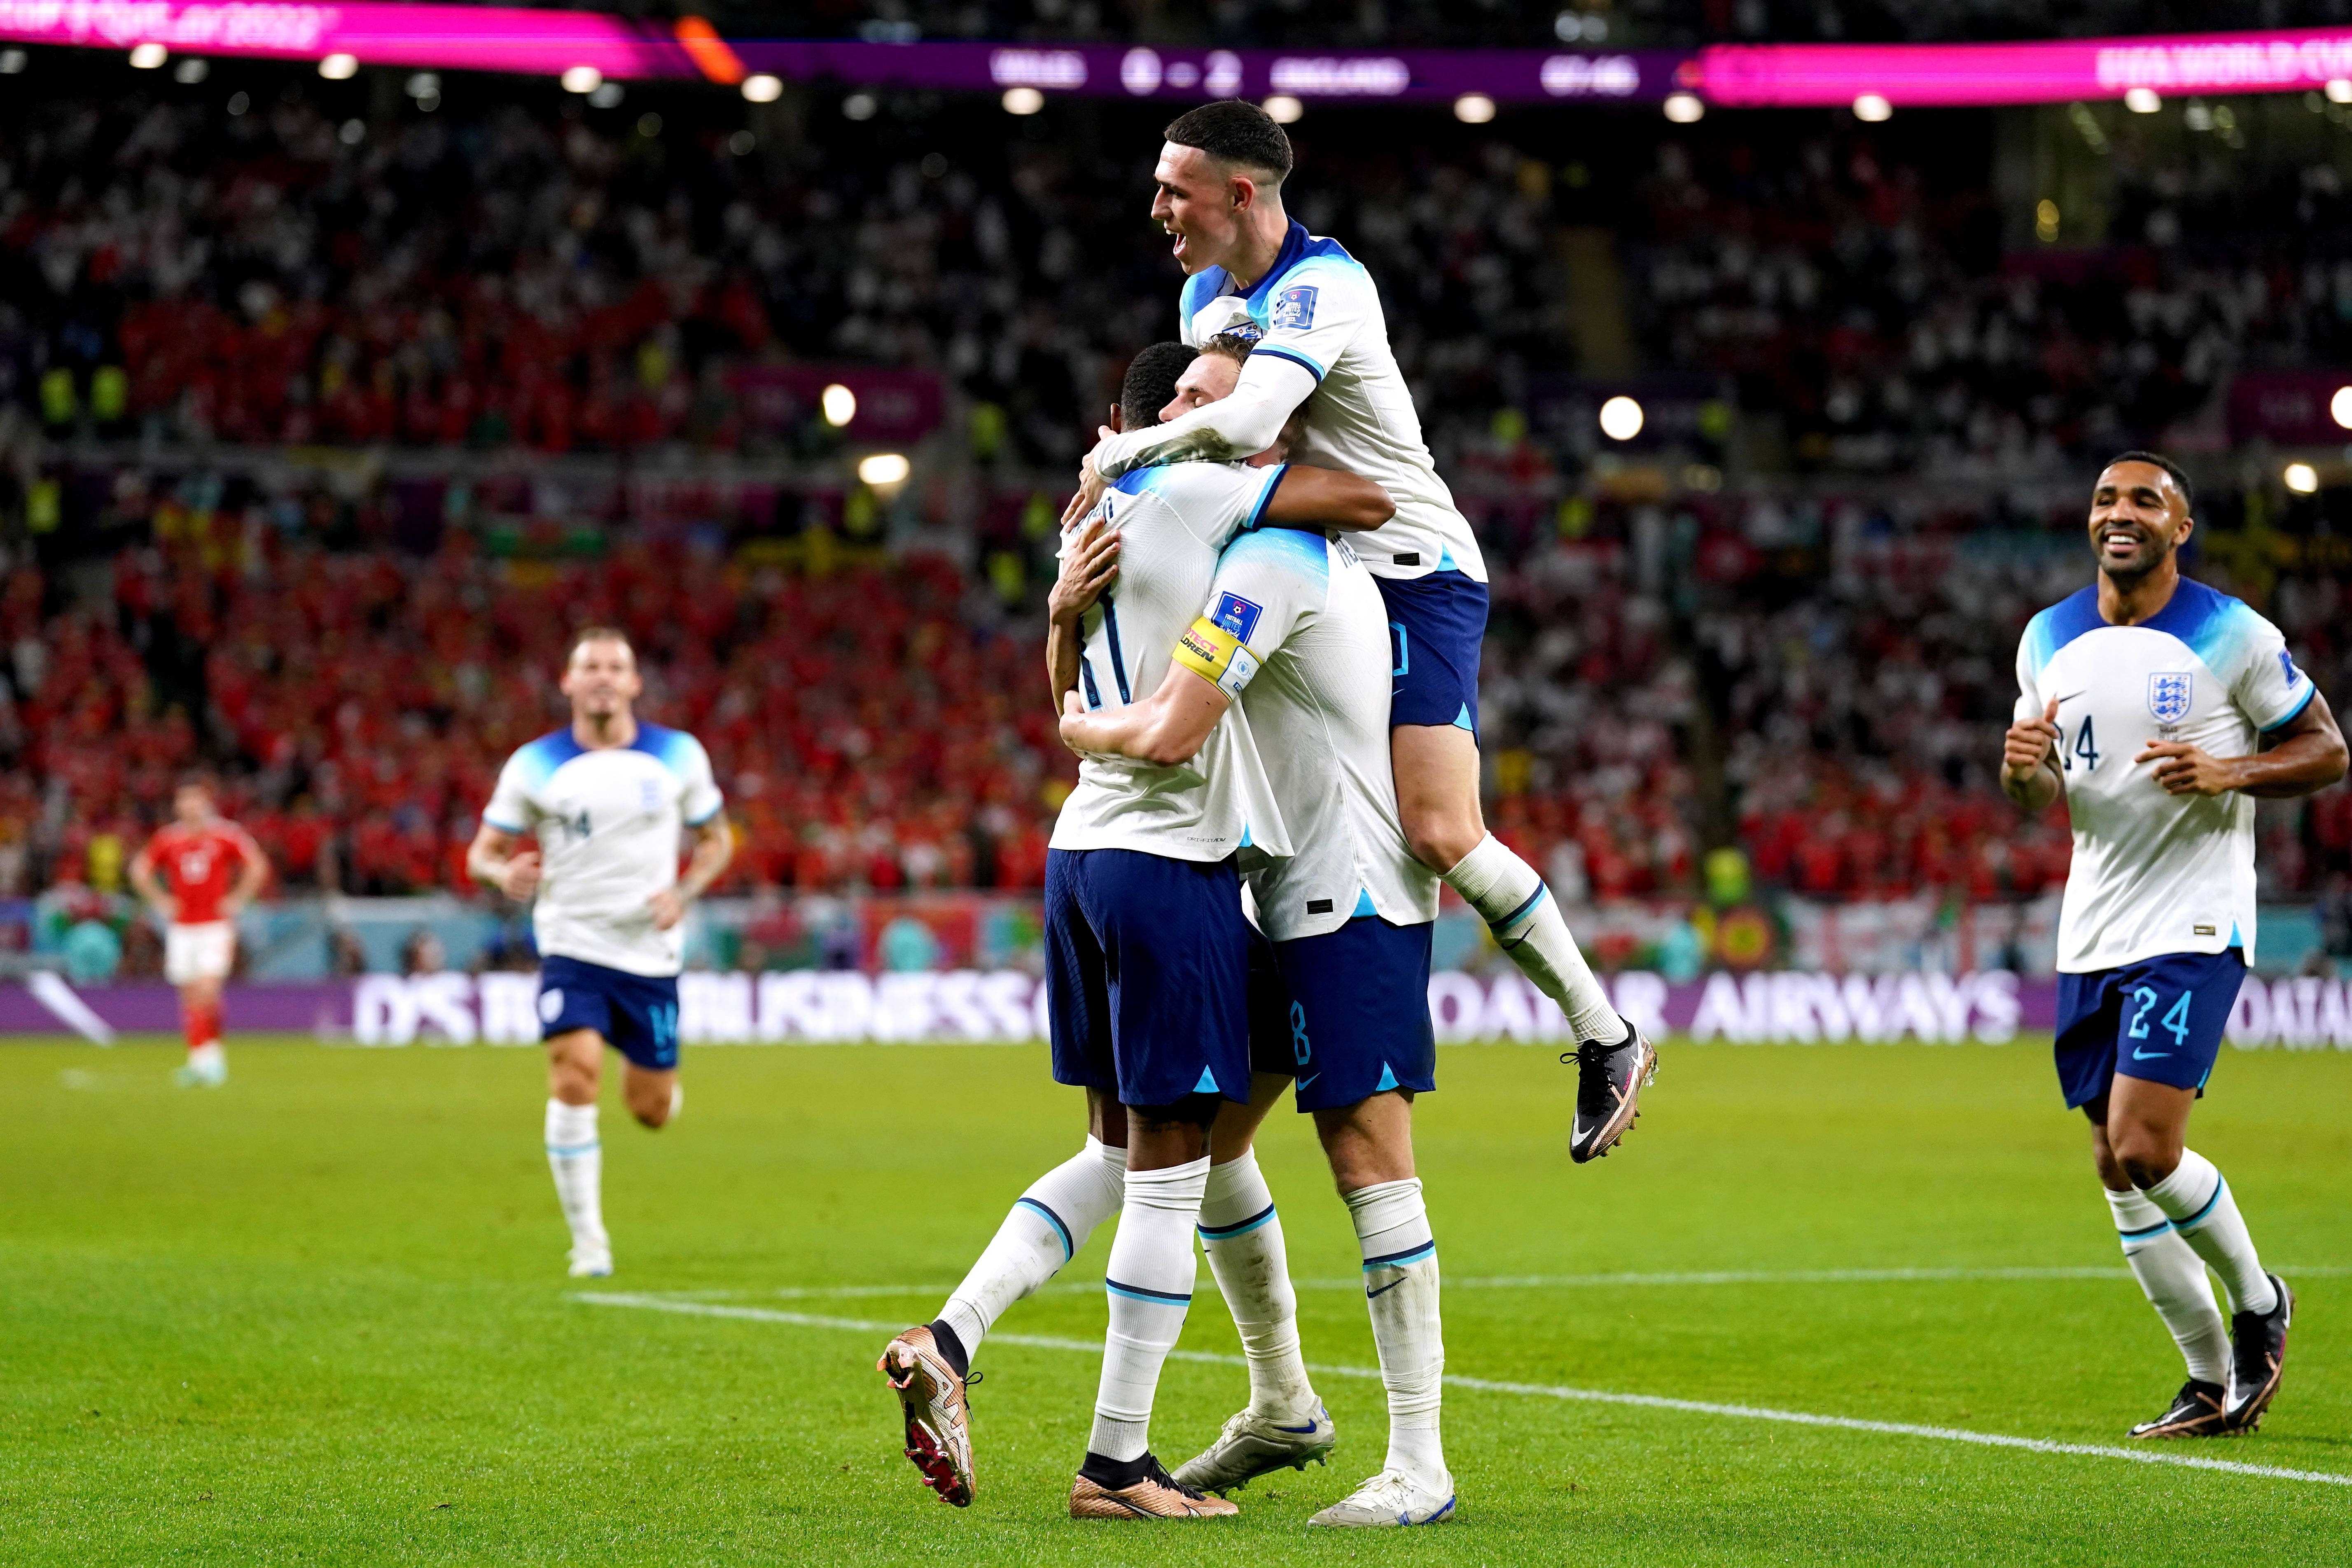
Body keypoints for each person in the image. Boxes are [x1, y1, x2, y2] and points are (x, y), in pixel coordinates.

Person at [1070, 99, 1653, 1153]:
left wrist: (1121, 458)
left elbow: (1246, 425)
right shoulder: (1206, 299)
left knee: (1433, 828)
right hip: (1306, 569)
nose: (1155, 206)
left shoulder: (1326, 285)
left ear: (1237, 194)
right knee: (1278, 792)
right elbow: (1214, 424)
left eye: (1173, 188)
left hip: (1409, 572)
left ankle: (1603, 1030)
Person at [876, 342, 1393, 1521]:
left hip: (1082, 855)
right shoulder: (1197, 484)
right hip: (1172, 866)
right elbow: (1365, 496)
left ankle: (953, 1333)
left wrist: (1063, 620)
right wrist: (1244, 437)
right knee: (1172, 1167)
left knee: (1114, 1148)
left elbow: (1058, 692)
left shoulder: (1086, 520)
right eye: (1209, 399)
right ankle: (1116, 1463)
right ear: (1161, 415)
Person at [1060, 333, 1462, 1526]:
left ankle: (1417, 1461)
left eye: (1205, 400)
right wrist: (1062, 602)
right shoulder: (1226, 540)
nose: (1178, 412)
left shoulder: (1278, 549)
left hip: (1353, 889)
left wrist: (1089, 734)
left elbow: (1173, 729)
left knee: (1361, 1154)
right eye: (1171, 395)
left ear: (1270, 432)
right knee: (1195, 1146)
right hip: (1266, 887)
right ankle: (1281, 1397)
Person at [2002, 451, 2345, 1439]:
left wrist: (2227, 767)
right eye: (2105, 497)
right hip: (2091, 927)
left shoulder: (2227, 631)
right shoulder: (2045, 637)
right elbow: (2039, 790)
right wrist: (2018, 769)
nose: (2120, 512)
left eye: (2143, 500)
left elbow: (2324, 747)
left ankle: (2256, 1301)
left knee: (2149, 1145)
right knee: (2112, 1159)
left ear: (2177, 527)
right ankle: (2203, 1378)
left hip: (2191, 920)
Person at [466, 628, 733, 1279]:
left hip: (648, 951)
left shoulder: (678, 754)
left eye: (617, 666)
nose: (604, 676)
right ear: (568, 681)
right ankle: (588, 1243)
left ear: (636, 682)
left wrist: (687, 890)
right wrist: (501, 876)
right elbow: (481, 852)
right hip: (570, 944)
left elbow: (716, 840)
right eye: (590, 666)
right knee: (574, 1072)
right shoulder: (533, 764)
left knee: (649, 1111)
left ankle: (657, 1084)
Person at [129, 773, 268, 1087]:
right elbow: (139, 870)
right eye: (185, 799)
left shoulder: (226, 834)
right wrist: (161, 900)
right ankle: (199, 1061)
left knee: (207, 989)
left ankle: (214, 1061)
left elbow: (257, 865)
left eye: (196, 798)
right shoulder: (168, 838)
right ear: (178, 804)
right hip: (182, 928)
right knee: (190, 996)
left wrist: (238, 899)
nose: (191, 805)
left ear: (207, 802)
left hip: (215, 926)